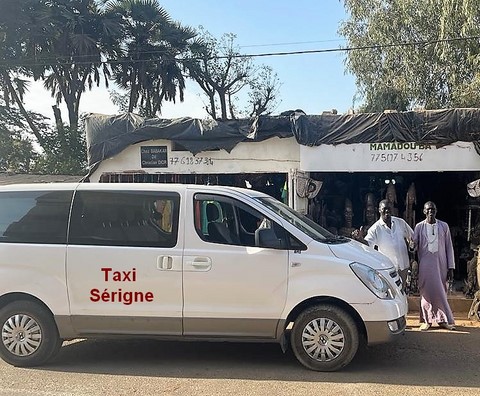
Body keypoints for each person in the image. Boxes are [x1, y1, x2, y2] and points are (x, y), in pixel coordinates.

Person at [353, 199, 413, 292]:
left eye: (389, 208)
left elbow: (412, 237)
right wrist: (360, 239)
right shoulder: (375, 228)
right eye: (384, 209)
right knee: (392, 293)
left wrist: (411, 244)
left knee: (402, 292)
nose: (387, 211)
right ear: (379, 210)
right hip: (388, 269)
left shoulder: (400, 222)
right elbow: (368, 246)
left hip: (403, 266)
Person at [412, 201, 456, 331]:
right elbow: (413, 246)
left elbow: (449, 247)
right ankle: (427, 321)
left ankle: (443, 320)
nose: (431, 212)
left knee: (441, 292)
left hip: (441, 265)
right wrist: (411, 245)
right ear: (424, 212)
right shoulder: (419, 227)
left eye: (433, 209)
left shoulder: (444, 226)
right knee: (426, 293)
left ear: (436, 211)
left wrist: (451, 267)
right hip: (425, 265)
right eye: (428, 210)